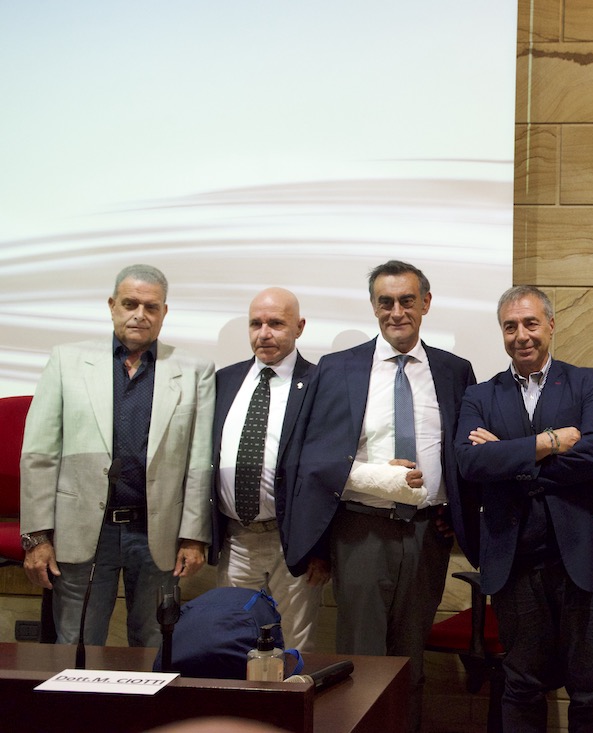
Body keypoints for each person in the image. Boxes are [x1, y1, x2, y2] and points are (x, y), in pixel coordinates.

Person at [281, 260, 475, 732]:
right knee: (362, 660)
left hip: (427, 536)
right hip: (361, 532)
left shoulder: (454, 370)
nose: (396, 312)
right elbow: (313, 457)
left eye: (407, 301)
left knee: (411, 661)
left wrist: (454, 512)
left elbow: (462, 452)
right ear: (373, 306)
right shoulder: (337, 369)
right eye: (385, 302)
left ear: (425, 303)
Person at [455, 285, 593, 732]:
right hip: (515, 566)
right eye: (510, 326)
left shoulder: (588, 382)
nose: (521, 335)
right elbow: (470, 463)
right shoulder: (480, 396)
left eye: (531, 323)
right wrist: (548, 442)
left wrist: (508, 459)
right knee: (522, 687)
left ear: (550, 325)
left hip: (585, 562)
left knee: (591, 689)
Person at [20, 263, 214, 647]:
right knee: (77, 643)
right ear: (112, 306)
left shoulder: (195, 371)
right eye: (130, 304)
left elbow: (199, 462)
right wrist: (37, 537)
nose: (140, 314)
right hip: (84, 530)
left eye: (151, 307)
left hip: (156, 532)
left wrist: (194, 537)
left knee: (154, 647)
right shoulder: (67, 361)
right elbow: (39, 454)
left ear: (164, 312)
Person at [209, 287, 326, 651]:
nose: (264, 333)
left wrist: (321, 548)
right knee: (232, 642)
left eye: (276, 323)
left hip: (292, 543)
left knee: (294, 648)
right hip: (235, 539)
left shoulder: (321, 384)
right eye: (255, 324)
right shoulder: (224, 380)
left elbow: (327, 474)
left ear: (299, 327)